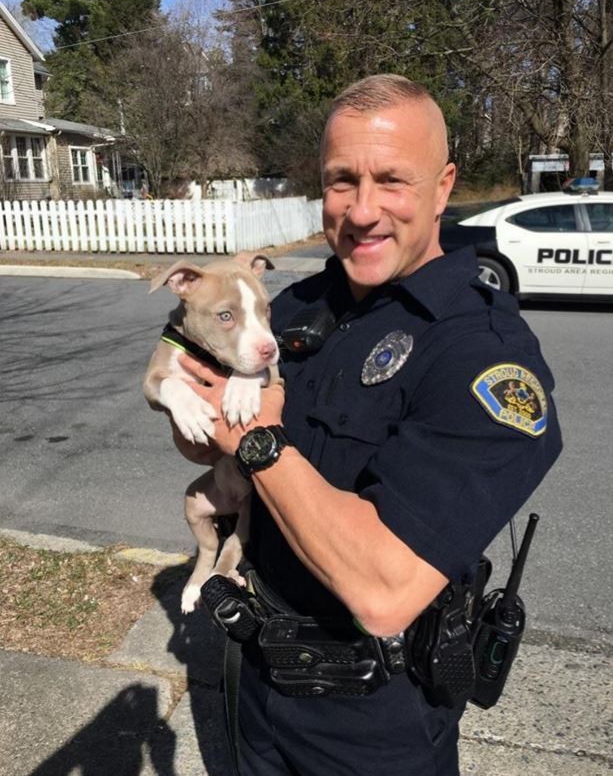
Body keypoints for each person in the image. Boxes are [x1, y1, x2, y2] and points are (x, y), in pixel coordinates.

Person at [174, 74, 562, 776]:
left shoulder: (482, 355)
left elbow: (384, 593)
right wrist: (190, 406)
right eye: (339, 180)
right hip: (250, 677)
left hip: (371, 719)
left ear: (442, 188)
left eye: (390, 180)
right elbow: (193, 432)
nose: (360, 210)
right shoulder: (291, 306)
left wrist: (254, 442)